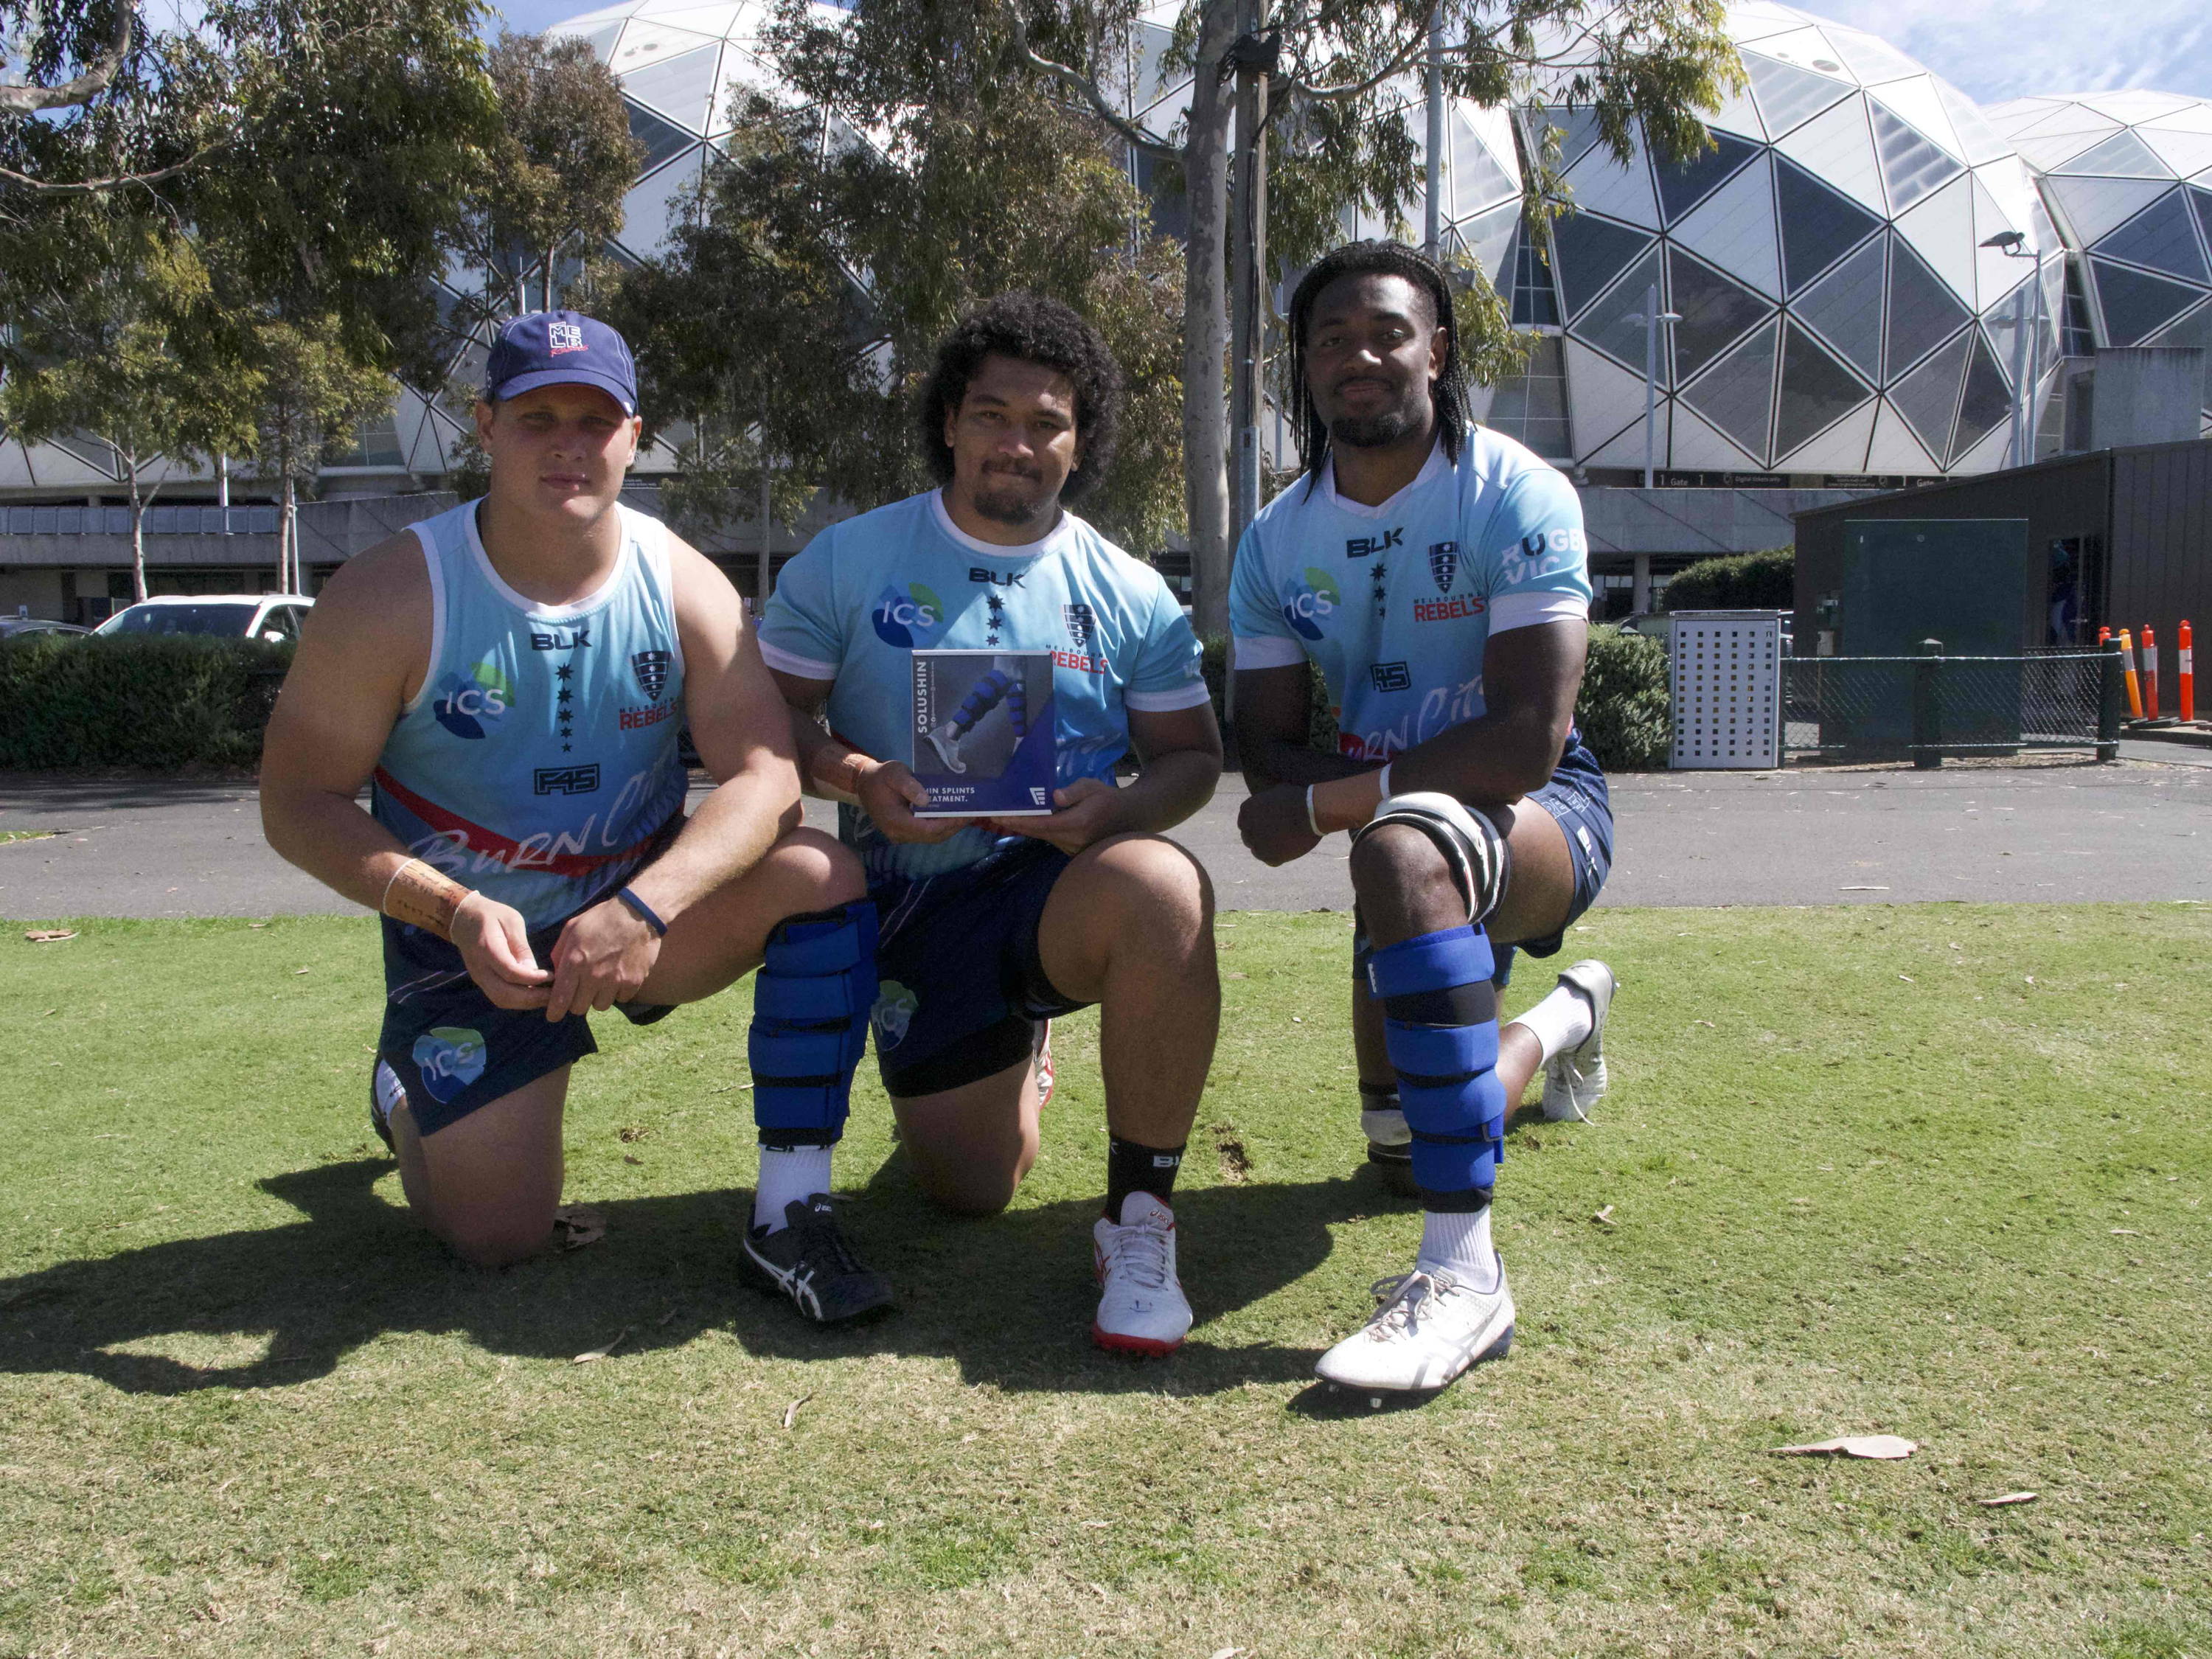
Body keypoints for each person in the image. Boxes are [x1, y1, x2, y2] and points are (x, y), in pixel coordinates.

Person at [262, 310, 888, 1318]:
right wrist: (450, 910)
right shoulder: (391, 593)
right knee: (496, 1238)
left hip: (637, 912)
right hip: (471, 940)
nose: (567, 443)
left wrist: (642, 907)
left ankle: (790, 1210)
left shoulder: (681, 579)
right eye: (536, 416)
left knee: (823, 874)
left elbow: (769, 776)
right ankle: (404, 1092)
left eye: (594, 420)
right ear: (485, 427)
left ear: (635, 436)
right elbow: (297, 802)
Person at [759, 293, 1222, 1355]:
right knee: (972, 1189)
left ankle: (1140, 1216)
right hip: (914, 903)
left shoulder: (1130, 590)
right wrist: (859, 771)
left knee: (1162, 882)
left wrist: (1119, 810)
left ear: (1081, 440)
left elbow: (1194, 758)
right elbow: (761, 719)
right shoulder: (850, 559)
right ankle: (1024, 1053)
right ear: (950, 424)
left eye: (1047, 420)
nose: (1018, 441)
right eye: (991, 413)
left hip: (1059, 885)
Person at [1230, 242, 1618, 1395]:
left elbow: (1522, 739)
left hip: (1543, 812)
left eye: (1387, 332)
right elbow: (1266, 747)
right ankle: (1563, 1020)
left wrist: (1331, 801)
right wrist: (1314, 794)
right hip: (1402, 846)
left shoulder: (1515, 492)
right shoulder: (1274, 539)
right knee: (1404, 1141)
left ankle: (1465, 1276)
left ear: (1437, 351)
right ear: (1303, 366)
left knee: (1403, 843)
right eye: (1332, 338)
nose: (1361, 355)